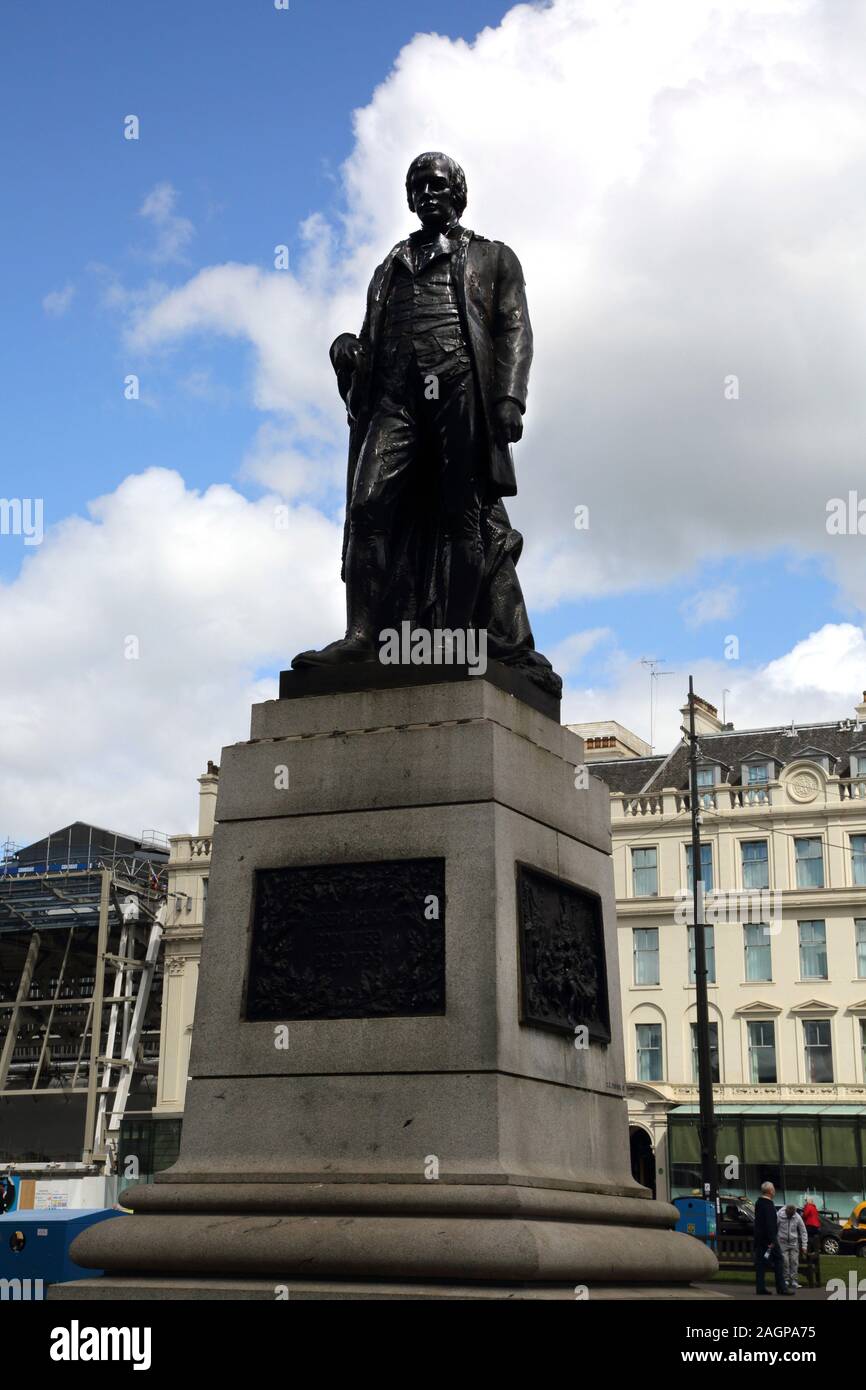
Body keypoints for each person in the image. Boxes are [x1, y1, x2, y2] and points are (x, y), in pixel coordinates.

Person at [293, 152, 560, 698]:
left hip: (459, 388)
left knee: (462, 516)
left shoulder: (492, 257)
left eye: (437, 185)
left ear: (457, 195)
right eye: (417, 186)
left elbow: (514, 328)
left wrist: (509, 398)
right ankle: (363, 635)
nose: (427, 194)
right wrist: (350, 349)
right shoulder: (389, 265)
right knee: (369, 506)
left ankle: (458, 636)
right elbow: (373, 336)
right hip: (396, 399)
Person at [754, 1181, 793, 1295]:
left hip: (759, 1239)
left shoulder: (758, 1203)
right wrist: (772, 1241)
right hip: (769, 1239)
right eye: (774, 1189)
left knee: (761, 1263)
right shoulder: (769, 1205)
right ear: (770, 1191)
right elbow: (770, 1225)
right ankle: (781, 1288)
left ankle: (760, 1288)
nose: (775, 1190)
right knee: (779, 1260)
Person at [777, 1203, 808, 1289]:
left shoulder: (797, 1217)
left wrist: (804, 1246)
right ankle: (786, 1280)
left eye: (792, 1215)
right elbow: (775, 1227)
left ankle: (794, 1281)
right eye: (789, 1215)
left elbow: (803, 1231)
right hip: (782, 1242)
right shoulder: (779, 1215)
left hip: (793, 1242)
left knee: (794, 1262)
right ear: (786, 1212)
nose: (790, 1217)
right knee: (785, 1261)